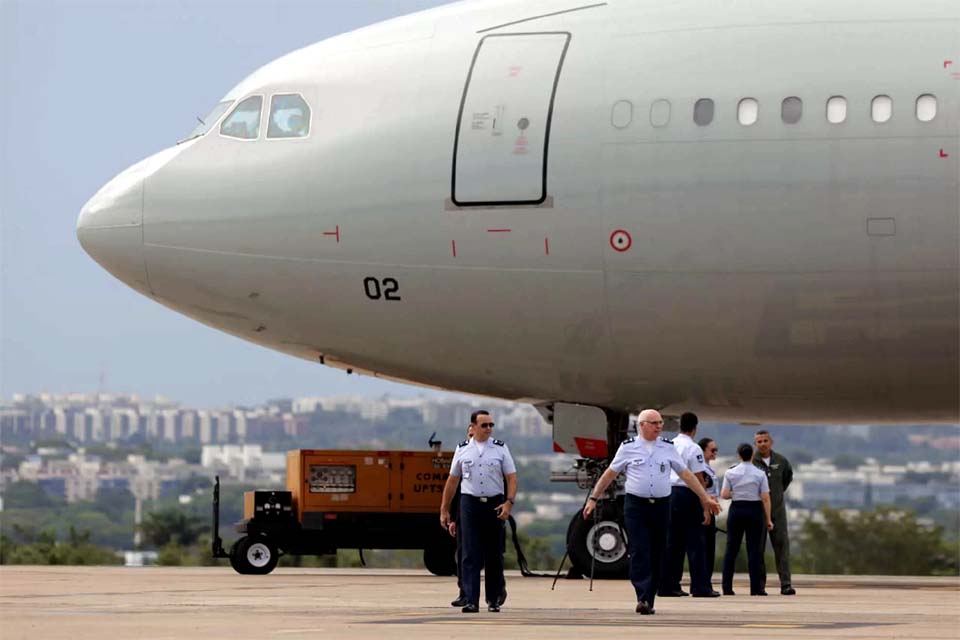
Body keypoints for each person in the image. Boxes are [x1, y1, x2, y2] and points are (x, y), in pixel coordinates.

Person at [582, 409, 721, 615]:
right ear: (642, 425)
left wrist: (705, 498)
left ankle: (650, 595)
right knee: (640, 549)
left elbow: (686, 474)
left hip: (662, 505)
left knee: (658, 551)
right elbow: (610, 473)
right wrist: (594, 498)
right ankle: (643, 596)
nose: (659, 426)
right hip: (636, 506)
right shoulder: (628, 448)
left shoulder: (667, 446)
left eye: (661, 423)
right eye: (654, 423)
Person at [440, 410, 517, 613]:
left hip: (494, 504)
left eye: (491, 425)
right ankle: (471, 599)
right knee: (470, 553)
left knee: (494, 554)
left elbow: (511, 477)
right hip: (469, 503)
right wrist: (444, 509)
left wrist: (509, 502)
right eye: (484, 425)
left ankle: (493, 599)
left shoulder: (500, 448)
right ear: (472, 427)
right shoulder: (463, 449)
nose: (489, 429)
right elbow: (452, 481)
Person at [660, 412, 716, 598]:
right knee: (695, 542)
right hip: (688, 494)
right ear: (695, 428)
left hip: (669, 494)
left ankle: (668, 585)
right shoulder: (694, 448)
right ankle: (700, 587)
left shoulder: (669, 445)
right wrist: (705, 503)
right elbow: (698, 478)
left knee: (672, 543)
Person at [721, 443, 773, 596]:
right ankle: (756, 588)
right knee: (754, 550)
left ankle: (727, 587)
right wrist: (768, 519)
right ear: (752, 455)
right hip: (754, 510)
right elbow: (765, 497)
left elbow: (724, 494)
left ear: (738, 455)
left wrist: (736, 493)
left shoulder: (730, 473)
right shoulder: (760, 474)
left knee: (731, 549)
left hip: (737, 509)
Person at [753, 429, 796, 595]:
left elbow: (787, 477)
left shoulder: (781, 461)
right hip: (758, 510)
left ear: (771, 442)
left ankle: (786, 584)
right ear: (755, 444)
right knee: (758, 549)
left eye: (765, 441)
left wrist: (776, 494)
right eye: (759, 441)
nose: (762, 444)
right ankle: (759, 585)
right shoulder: (752, 461)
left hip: (777, 510)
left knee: (782, 547)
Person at [448, 422, 475, 608]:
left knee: (490, 555)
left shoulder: (492, 453)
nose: (472, 440)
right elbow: (454, 490)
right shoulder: (462, 454)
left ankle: (495, 594)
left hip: (487, 512)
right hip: (464, 513)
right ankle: (464, 592)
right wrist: (452, 518)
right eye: (470, 436)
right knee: (464, 554)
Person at [698, 436, 720, 589]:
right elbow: (702, 490)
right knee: (704, 548)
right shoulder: (701, 470)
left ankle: (706, 580)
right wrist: (706, 510)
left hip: (710, 510)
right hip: (705, 510)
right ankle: (703, 581)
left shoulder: (708, 468)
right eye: (712, 450)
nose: (715, 453)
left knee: (708, 548)